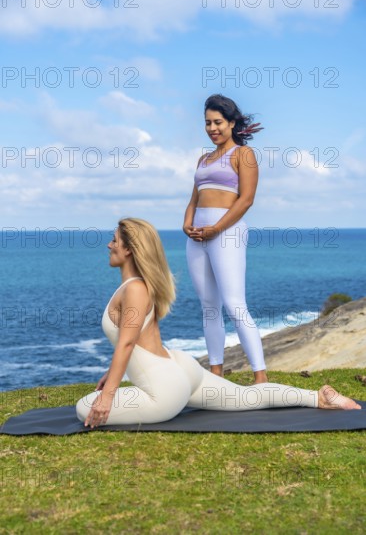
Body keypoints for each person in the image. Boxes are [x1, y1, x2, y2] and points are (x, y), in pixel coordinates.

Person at [76, 218, 361, 429]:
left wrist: (108, 394)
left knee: (84, 407)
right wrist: (112, 373)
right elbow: (133, 342)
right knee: (245, 398)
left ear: (129, 249)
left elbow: (127, 342)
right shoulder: (135, 286)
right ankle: (320, 398)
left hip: (165, 388)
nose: (109, 245)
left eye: (115, 240)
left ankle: (318, 398)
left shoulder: (135, 289)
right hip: (180, 369)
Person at [184, 94, 267, 383]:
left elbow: (245, 200)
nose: (212, 128)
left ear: (232, 123)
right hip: (197, 237)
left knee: (235, 305)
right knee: (209, 306)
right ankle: (216, 373)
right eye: (207, 123)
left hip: (227, 234)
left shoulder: (244, 155)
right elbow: (194, 198)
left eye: (218, 122)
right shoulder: (203, 159)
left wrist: (216, 228)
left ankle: (260, 377)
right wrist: (187, 224)